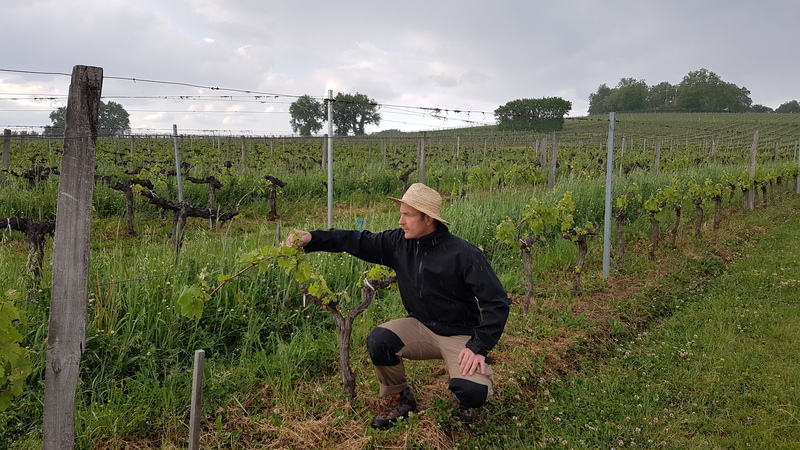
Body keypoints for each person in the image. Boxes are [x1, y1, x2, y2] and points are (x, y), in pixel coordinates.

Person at [285, 183, 509, 429]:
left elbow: (496, 302)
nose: (401, 221)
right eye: (401, 214)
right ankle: (401, 398)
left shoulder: (464, 254)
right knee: (380, 340)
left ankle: (464, 396)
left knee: (473, 393)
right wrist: (312, 238)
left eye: (408, 215)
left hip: (461, 334)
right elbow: (357, 240)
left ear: (427, 218)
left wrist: (477, 345)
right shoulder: (398, 243)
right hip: (421, 327)